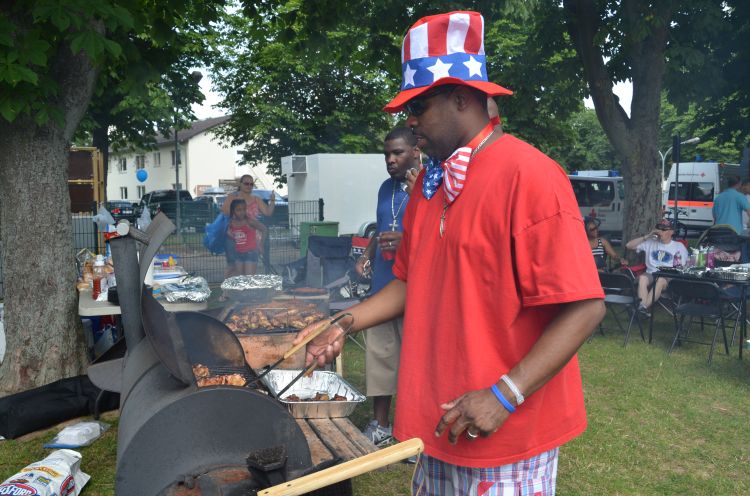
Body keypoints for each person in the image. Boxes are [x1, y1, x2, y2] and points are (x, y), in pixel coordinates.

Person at [294, 11, 605, 495]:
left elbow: (585, 307)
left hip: (505, 429)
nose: (410, 121)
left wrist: (506, 394)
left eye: (419, 105)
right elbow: (409, 281)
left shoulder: (532, 176)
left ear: (463, 97)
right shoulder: (429, 186)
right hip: (436, 421)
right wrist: (343, 323)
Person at [354, 126, 420, 446]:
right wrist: (366, 254)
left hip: (414, 290)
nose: (390, 160)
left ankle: (410, 433)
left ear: (416, 152)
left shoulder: (428, 185)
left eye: (397, 153)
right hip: (382, 284)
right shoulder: (385, 188)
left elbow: (442, 234)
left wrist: (405, 239)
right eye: (387, 155)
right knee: (379, 358)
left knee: (412, 363)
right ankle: (380, 427)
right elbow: (381, 227)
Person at [624, 219, 688, 316]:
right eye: (659, 229)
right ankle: (642, 310)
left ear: (671, 232)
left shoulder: (678, 246)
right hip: (651, 273)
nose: (660, 232)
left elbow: (682, 266)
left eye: (664, 229)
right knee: (642, 278)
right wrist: (648, 235)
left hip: (667, 275)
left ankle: (641, 308)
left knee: (661, 280)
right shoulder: (650, 242)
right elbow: (628, 245)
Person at [225, 198, 267, 277]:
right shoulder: (231, 223)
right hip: (238, 254)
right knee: (240, 279)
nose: (242, 212)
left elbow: (264, 229)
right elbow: (232, 237)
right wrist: (230, 235)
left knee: (248, 279)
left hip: (250, 253)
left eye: (244, 209)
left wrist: (261, 244)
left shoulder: (250, 222)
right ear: (233, 211)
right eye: (238, 210)